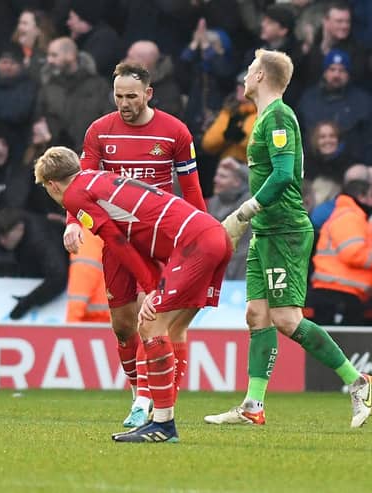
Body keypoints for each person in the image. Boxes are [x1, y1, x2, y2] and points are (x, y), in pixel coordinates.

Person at [204, 49, 372, 428]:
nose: (245, 77)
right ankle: (253, 405)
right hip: (267, 231)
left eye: (249, 70)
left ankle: (358, 381)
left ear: (262, 76)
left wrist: (243, 212)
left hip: (285, 229)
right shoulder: (266, 117)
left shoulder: (279, 115)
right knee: (256, 314)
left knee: (285, 318)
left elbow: (282, 177)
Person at [34, 146, 232, 443]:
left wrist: (152, 286)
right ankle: (160, 419)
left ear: (51, 185)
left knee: (151, 325)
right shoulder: (98, 178)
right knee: (175, 328)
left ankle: (163, 426)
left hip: (193, 243)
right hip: (213, 235)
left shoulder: (75, 196)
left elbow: (116, 242)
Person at [63, 62, 207, 428]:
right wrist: (71, 223)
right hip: (116, 242)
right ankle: (137, 395)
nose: (124, 103)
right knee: (123, 326)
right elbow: (81, 186)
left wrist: (201, 239)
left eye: (131, 96)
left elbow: (191, 191)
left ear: (148, 94)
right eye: (118, 96)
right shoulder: (99, 131)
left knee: (151, 320)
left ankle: (150, 399)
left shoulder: (175, 132)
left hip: (160, 241)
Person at [307, 179, 372, 326]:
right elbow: (352, 253)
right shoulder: (350, 217)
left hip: (341, 292)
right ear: (361, 197)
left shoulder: (348, 216)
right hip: (338, 293)